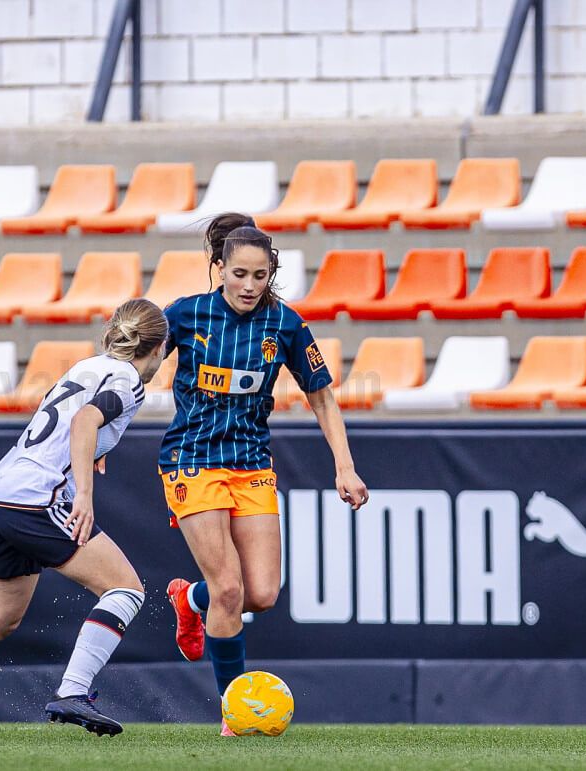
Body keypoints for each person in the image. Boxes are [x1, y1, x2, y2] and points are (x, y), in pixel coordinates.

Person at [0, 299, 169, 738]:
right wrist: (83, 492)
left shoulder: (83, 368)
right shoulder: (130, 379)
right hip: (37, 497)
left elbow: (66, 424)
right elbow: (84, 422)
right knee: (125, 589)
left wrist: (91, 454)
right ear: (157, 349)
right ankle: (73, 691)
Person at [161, 213, 369, 736]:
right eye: (239, 274)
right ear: (219, 268)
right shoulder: (186, 316)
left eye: (260, 275)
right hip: (192, 459)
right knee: (229, 587)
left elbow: (321, 396)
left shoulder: (287, 325)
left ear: (271, 272)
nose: (250, 285)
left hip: (251, 464)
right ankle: (235, 716)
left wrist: (344, 467)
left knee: (262, 593)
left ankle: (190, 599)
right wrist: (100, 428)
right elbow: (130, 368)